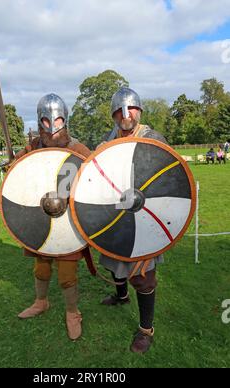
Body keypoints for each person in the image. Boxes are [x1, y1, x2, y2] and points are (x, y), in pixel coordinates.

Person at [15, 93, 91, 341]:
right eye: (46, 123)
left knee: (67, 273)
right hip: (41, 216)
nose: (52, 128)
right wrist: (14, 166)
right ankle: (41, 302)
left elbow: (94, 181)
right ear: (39, 123)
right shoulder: (33, 148)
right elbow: (18, 174)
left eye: (56, 121)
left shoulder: (78, 150)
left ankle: (72, 313)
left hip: (68, 222)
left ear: (65, 121)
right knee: (41, 266)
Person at [98, 87, 168, 354]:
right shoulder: (108, 139)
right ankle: (121, 296)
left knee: (143, 275)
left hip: (145, 213)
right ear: (113, 114)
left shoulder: (152, 138)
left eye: (131, 108)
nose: (126, 114)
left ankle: (145, 330)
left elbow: (167, 178)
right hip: (115, 214)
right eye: (119, 110)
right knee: (114, 262)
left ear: (139, 110)